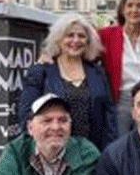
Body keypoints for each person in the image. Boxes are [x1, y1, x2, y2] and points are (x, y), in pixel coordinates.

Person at [19, 13, 117, 152]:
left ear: (88, 41)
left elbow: (109, 115)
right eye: (69, 35)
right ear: (58, 39)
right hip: (52, 155)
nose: (75, 40)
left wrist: (109, 153)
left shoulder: (97, 72)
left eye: (81, 36)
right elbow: (26, 114)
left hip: (93, 155)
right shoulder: (41, 71)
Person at [98, 0, 140, 133]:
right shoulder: (106, 35)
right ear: (122, 9)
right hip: (120, 99)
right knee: (121, 143)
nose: (134, 10)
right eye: (130, 5)